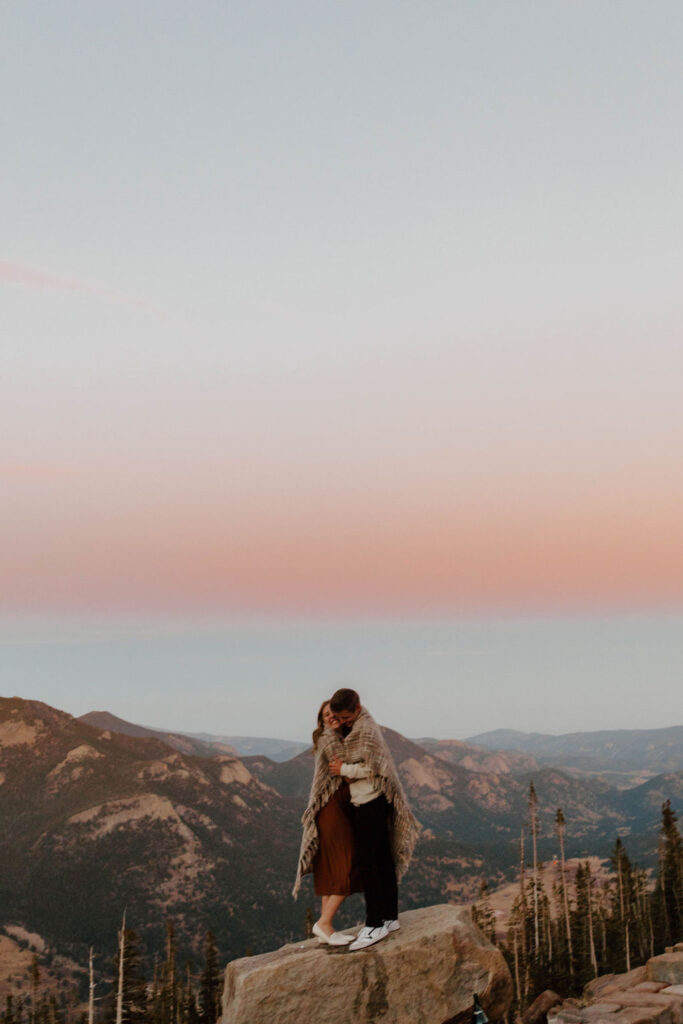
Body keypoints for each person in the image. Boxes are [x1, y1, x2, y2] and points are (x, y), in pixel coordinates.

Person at [328, 688, 420, 951]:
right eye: (339, 717)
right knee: (382, 860)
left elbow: (375, 767)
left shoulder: (365, 730)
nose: (343, 721)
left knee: (368, 863)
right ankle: (389, 917)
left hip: (371, 801)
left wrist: (344, 769)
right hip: (373, 801)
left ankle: (374, 923)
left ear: (357, 708)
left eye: (345, 717)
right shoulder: (356, 727)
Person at [292, 701, 361, 945]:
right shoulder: (331, 739)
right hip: (333, 809)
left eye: (333, 713)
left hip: (335, 809)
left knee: (331, 868)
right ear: (321, 720)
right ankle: (323, 923)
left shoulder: (333, 738)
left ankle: (326, 927)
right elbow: (345, 767)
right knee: (348, 864)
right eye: (325, 715)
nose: (330, 717)